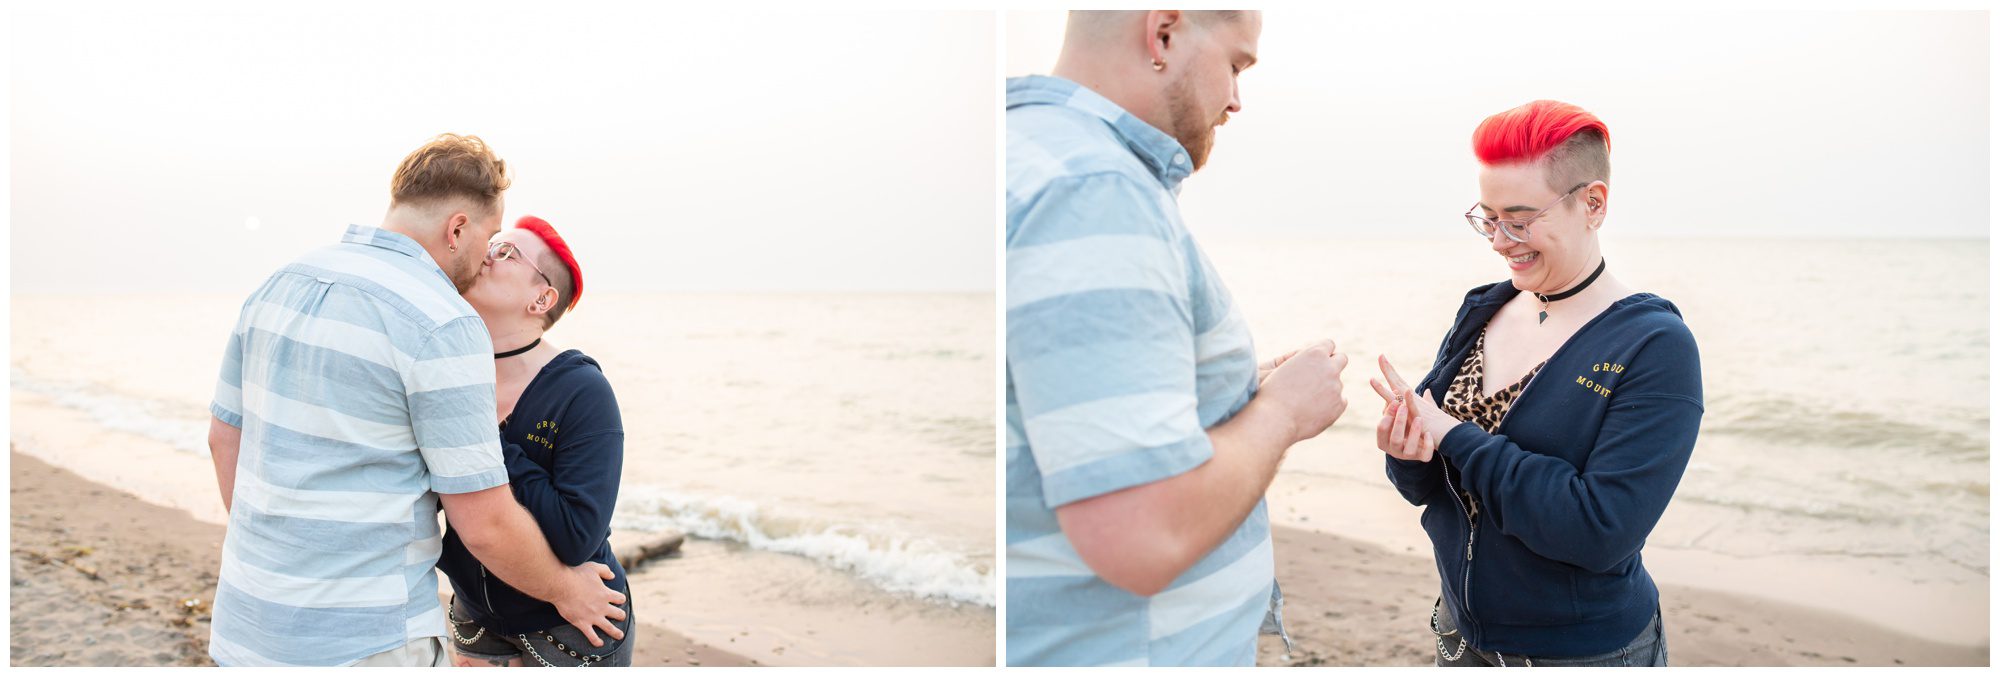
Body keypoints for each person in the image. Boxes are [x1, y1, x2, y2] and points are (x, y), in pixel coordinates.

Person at [1006, 10, 1351, 667]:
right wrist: (1282, 413)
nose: (1236, 99)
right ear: (1162, 33)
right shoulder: (1095, 190)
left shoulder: (1034, 153)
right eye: (1236, 64)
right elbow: (1140, 530)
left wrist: (1235, 396)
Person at [206, 135, 626, 666]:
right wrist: (566, 590)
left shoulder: (277, 285)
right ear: (457, 230)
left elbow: (225, 441)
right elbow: (485, 524)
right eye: (491, 238)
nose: (486, 257)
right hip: (367, 641)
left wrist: (284, 562)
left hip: (246, 623)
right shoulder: (439, 321)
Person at [1370, 100, 1703, 667]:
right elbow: (1432, 491)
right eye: (1487, 217)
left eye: (1520, 220)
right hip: (1461, 633)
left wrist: (1454, 436)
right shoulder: (1484, 308)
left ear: (1592, 204)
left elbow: (1599, 531)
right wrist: (1408, 451)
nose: (1500, 240)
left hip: (1584, 650)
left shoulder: (1654, 345)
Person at [436, 216, 633, 667]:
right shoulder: (451, 375)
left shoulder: (581, 391)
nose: (487, 253)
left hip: (575, 623)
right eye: (493, 244)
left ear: (541, 298)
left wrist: (487, 437)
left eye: (507, 253)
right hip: (476, 617)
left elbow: (575, 536)